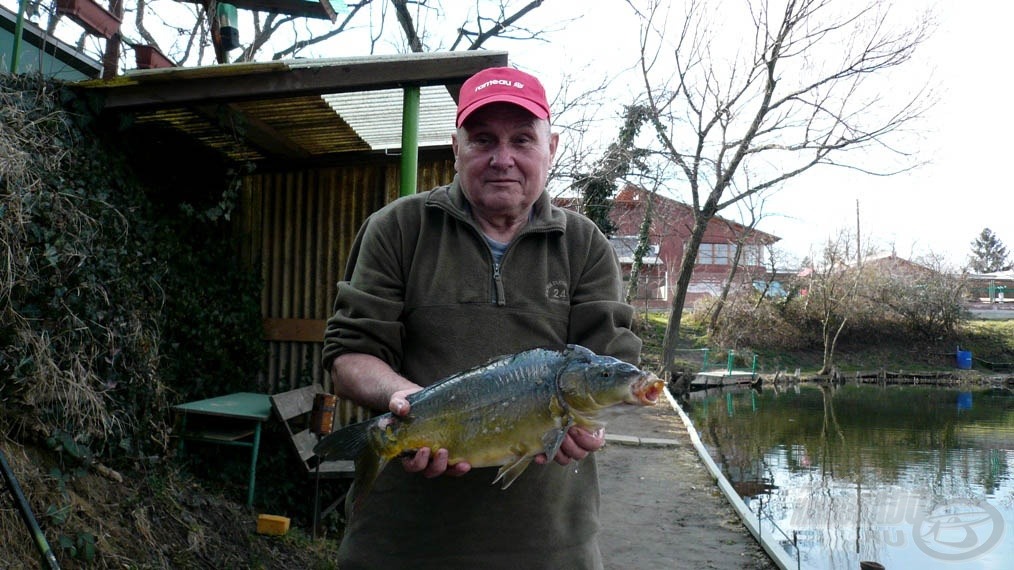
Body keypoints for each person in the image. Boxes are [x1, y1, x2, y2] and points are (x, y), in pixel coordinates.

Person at [321, 66, 642, 569]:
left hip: (551, 548)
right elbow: (349, 356)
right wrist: (406, 403)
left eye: (522, 139)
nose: (502, 159)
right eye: (483, 139)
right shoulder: (396, 229)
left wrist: (592, 429)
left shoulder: (586, 246)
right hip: (400, 545)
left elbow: (610, 365)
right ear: (456, 147)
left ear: (551, 146)